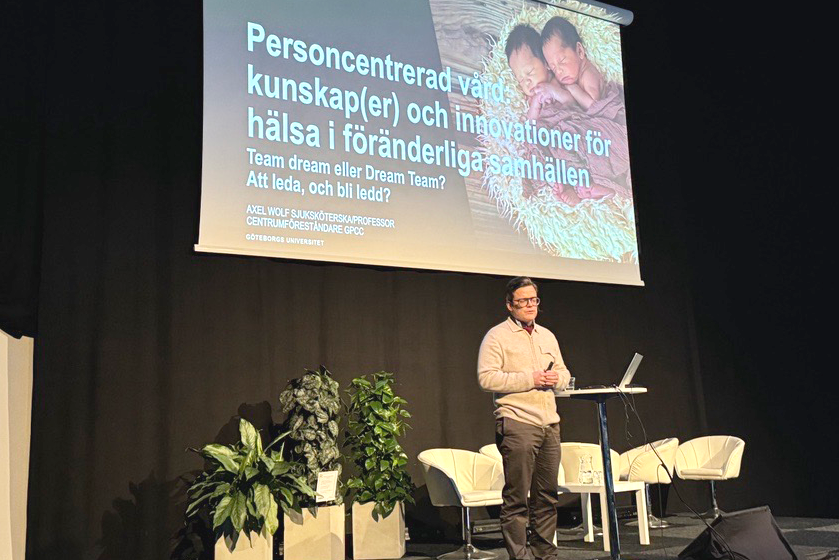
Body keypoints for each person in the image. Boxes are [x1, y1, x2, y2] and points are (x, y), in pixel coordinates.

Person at [477, 276, 571, 560]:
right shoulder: (497, 336)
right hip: (517, 422)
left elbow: (566, 373)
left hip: (549, 424)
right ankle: (520, 556)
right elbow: (486, 378)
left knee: (547, 497)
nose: (530, 306)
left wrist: (558, 379)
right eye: (523, 301)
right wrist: (530, 378)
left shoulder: (547, 335)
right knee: (517, 499)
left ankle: (545, 554)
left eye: (534, 300)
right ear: (510, 305)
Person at [504, 24, 574, 121]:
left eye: (530, 72)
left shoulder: (559, 81)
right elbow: (531, 124)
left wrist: (553, 91)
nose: (527, 82)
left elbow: (573, 104)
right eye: (521, 79)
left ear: (545, 62)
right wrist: (535, 105)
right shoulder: (530, 100)